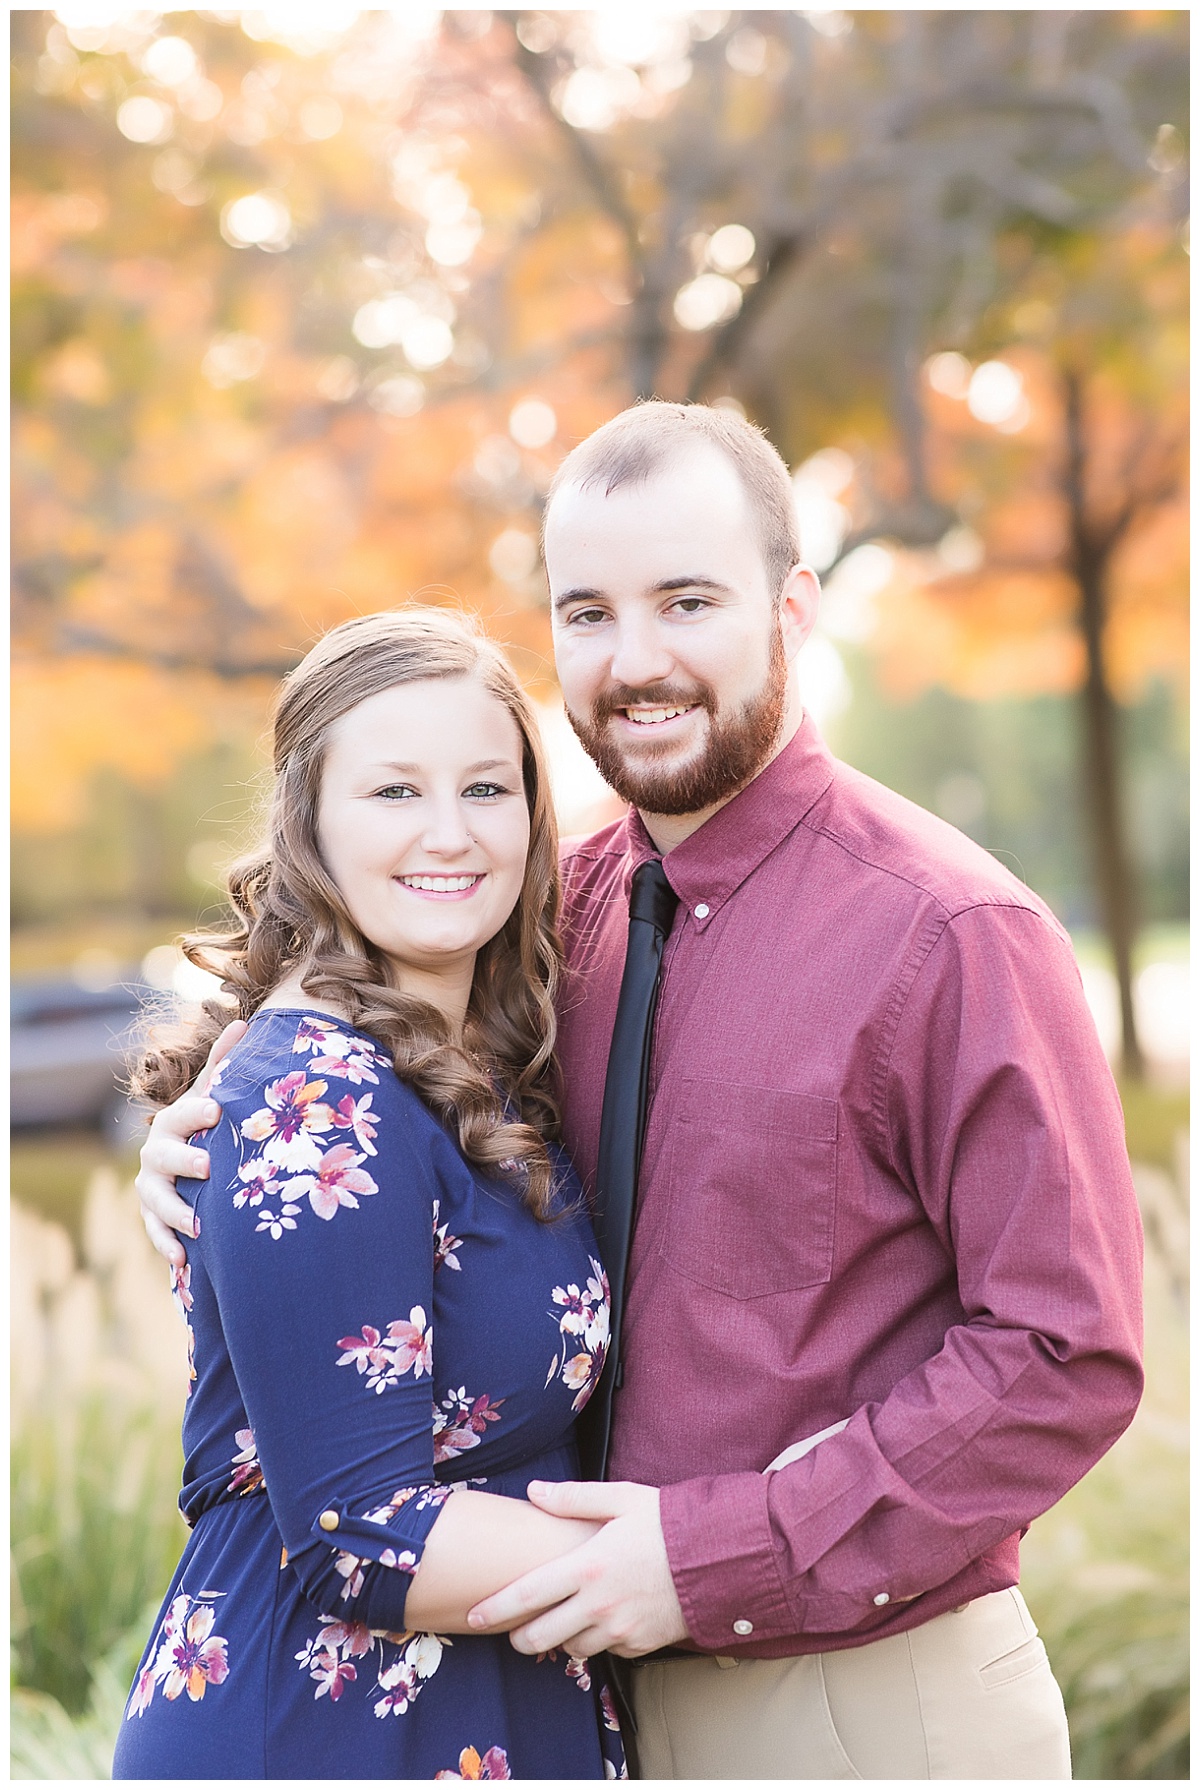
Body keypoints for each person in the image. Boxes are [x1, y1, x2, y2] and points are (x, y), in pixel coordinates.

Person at [138, 402, 1144, 1780]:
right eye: (590, 612)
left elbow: (1063, 1352)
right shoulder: (551, 923)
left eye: (688, 600)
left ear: (794, 609)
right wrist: (197, 1154)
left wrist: (713, 1555)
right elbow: (370, 1146)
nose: (638, 659)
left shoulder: (952, 934)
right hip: (563, 1687)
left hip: (850, 1701)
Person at [114, 609, 626, 1781]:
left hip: (469, 1706)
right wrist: (684, 1561)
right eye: (395, 792)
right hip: (321, 1727)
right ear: (310, 825)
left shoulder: (480, 1056)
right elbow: (363, 1530)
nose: (450, 833)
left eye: (488, 788)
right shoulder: (318, 1091)